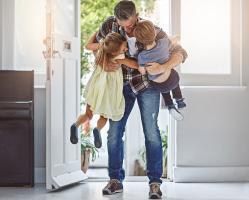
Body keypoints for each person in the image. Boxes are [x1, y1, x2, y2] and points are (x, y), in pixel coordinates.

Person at [87, 1, 187, 199]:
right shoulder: (109, 25)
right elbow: (94, 46)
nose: (127, 29)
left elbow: (181, 53)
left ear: (137, 15)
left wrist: (163, 67)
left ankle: (155, 183)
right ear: (116, 19)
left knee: (151, 132)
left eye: (130, 25)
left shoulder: (151, 31)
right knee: (114, 133)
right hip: (119, 86)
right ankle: (115, 180)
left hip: (146, 86)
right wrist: (104, 60)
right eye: (122, 25)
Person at [70, 32, 138, 148]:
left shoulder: (102, 50)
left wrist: (96, 33)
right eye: (124, 48)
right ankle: (97, 129)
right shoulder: (119, 57)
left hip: (96, 88)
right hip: (109, 91)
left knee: (88, 114)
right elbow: (136, 65)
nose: (126, 48)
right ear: (115, 52)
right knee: (104, 116)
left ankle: (75, 125)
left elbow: (87, 46)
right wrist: (123, 61)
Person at [134, 20, 186, 121]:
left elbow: (142, 71)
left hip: (159, 86)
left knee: (160, 84)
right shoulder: (164, 43)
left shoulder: (141, 56)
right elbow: (174, 40)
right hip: (172, 80)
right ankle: (179, 100)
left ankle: (170, 105)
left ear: (139, 40)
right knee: (173, 75)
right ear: (155, 33)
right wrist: (177, 38)